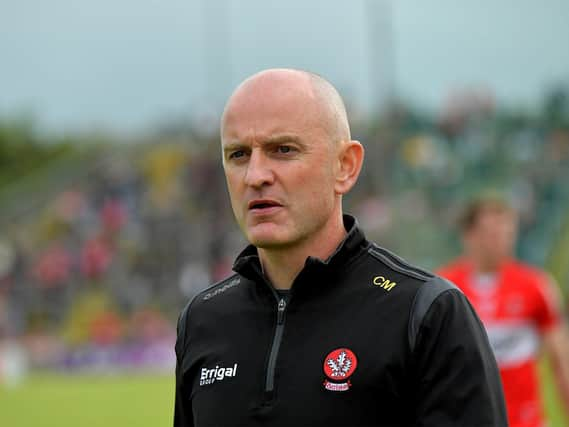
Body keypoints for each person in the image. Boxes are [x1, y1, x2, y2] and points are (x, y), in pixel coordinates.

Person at [174, 68, 507, 427]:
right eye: (238, 155)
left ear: (345, 166)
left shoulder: (425, 312)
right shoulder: (202, 319)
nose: (255, 175)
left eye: (282, 150)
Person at [437, 194, 569, 427]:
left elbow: (562, 362)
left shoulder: (536, 286)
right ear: (469, 236)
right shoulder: (445, 289)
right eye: (492, 233)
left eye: (507, 233)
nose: (502, 240)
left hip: (525, 422)